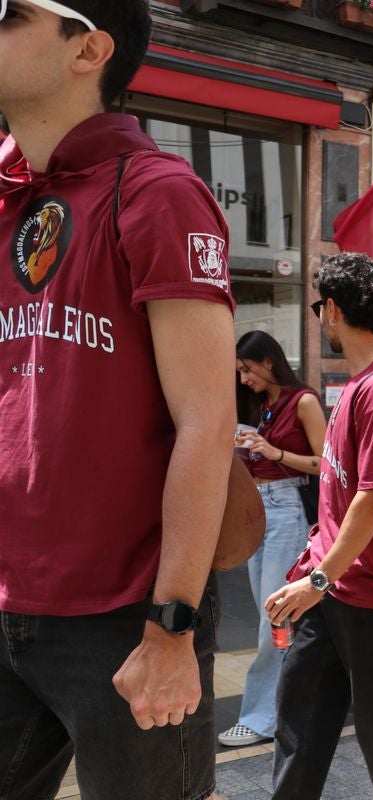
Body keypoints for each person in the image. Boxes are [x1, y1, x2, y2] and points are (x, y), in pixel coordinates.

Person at [0, 3, 236, 798]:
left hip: (126, 617)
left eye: (8, 11)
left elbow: (206, 423)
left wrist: (171, 627)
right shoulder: (4, 195)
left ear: (88, 48)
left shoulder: (159, 190)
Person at [266, 252, 373, 799]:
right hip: (332, 584)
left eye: (319, 308)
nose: (320, 318)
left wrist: (316, 581)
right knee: (301, 719)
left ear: (333, 310)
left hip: (372, 592)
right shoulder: (363, 382)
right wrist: (316, 576)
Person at [218, 332, 327, 747]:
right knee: (279, 616)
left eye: (246, 370)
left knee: (274, 616)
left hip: (288, 507)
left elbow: (325, 462)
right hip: (259, 509)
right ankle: (297, 703)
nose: (243, 379)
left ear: (267, 360)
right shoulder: (263, 406)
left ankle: (262, 716)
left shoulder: (303, 401)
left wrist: (274, 452)